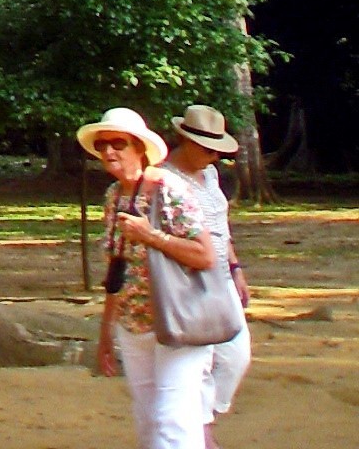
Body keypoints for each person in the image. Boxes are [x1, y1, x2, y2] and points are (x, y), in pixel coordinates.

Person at [84, 104, 222, 449]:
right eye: (102, 145)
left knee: (174, 422)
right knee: (148, 420)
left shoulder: (170, 190)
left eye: (117, 143)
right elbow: (117, 267)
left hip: (178, 321)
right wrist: (105, 334)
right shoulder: (114, 197)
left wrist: (152, 236)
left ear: (139, 148)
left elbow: (205, 255)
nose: (109, 151)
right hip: (133, 324)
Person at [163, 106, 253, 445]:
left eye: (217, 150)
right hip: (188, 275)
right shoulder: (165, 178)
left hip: (221, 273)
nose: (213, 156)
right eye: (206, 148)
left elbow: (220, 227)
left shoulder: (211, 175)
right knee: (200, 355)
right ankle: (200, 430)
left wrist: (235, 267)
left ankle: (206, 417)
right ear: (184, 139)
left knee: (236, 353)